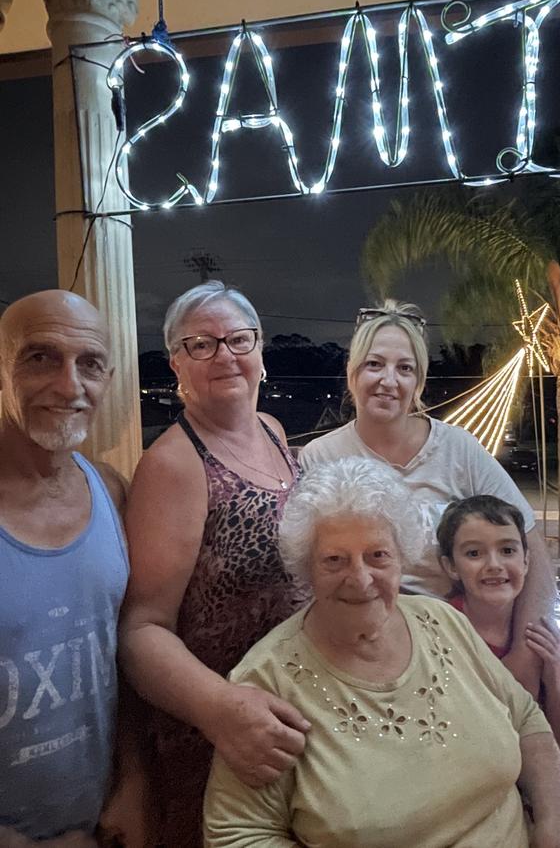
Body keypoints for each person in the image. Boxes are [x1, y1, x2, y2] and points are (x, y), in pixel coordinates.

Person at [203, 457, 560, 848]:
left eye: (378, 556)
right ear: (306, 568)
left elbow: (526, 719)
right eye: (335, 560)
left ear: (402, 558)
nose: (361, 578)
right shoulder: (267, 680)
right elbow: (236, 834)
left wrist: (559, 825)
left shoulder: (442, 622)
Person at [120, 281, 311, 848]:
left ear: (259, 351)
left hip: (294, 715)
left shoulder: (274, 433)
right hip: (220, 736)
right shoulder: (172, 466)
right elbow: (140, 629)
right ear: (177, 363)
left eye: (238, 339)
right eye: (201, 344)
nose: (224, 354)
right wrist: (221, 709)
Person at [299, 300, 557, 696]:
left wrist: (525, 653)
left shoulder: (459, 450)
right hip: (362, 650)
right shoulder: (321, 457)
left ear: (418, 382)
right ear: (352, 373)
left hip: (465, 648)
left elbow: (530, 543)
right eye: (374, 364)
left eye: (405, 368)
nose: (389, 380)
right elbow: (309, 570)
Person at [0, 291, 128, 845]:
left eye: (90, 364)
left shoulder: (113, 493)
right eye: (40, 357)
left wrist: (135, 783)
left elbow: (119, 655)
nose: (71, 386)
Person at [436, 495, 560, 752]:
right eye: (474, 553)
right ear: (451, 566)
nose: (494, 565)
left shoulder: (541, 632)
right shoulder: (440, 630)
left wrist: (552, 678)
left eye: (507, 551)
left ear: (526, 561)